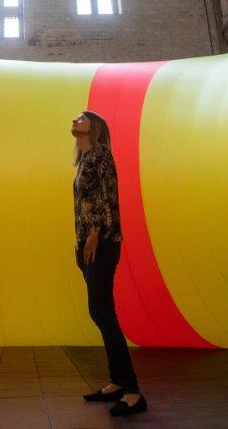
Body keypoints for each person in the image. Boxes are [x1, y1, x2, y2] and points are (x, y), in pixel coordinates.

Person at [72, 110, 147, 417]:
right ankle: (117, 382)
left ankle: (132, 391)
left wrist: (95, 233)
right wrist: (80, 241)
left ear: (95, 127)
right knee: (100, 310)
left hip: (101, 241)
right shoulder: (84, 159)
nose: (75, 120)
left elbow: (108, 197)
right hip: (87, 242)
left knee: (101, 310)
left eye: (81, 118)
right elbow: (85, 203)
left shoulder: (101, 155)